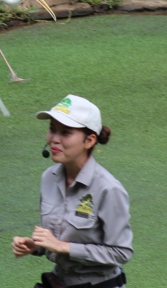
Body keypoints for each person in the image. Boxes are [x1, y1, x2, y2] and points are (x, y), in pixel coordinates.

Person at [12, 95, 132, 288]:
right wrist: (38, 246)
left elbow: (121, 253)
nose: (54, 140)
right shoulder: (48, 178)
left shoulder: (108, 189)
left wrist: (63, 247)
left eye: (66, 133)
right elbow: (59, 236)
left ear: (89, 140)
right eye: (52, 130)